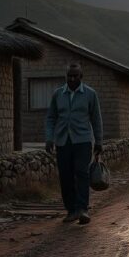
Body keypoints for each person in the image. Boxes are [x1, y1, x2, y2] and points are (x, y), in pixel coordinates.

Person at [45, 62, 103, 225]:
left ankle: (83, 209)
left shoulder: (90, 94)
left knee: (81, 173)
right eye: (69, 76)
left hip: (83, 140)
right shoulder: (58, 94)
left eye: (75, 76)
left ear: (81, 77)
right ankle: (71, 210)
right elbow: (51, 118)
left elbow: (96, 119)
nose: (71, 79)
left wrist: (99, 141)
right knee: (65, 175)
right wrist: (49, 138)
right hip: (63, 141)